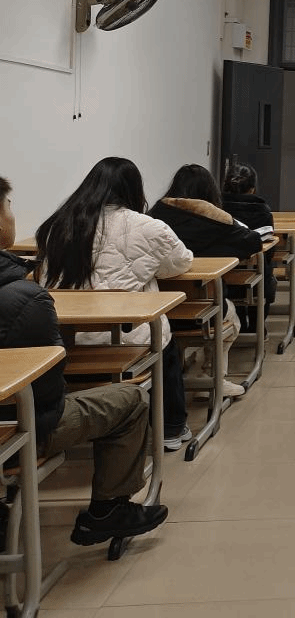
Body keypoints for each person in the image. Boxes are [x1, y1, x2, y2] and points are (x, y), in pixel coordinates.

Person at [0, 176, 169, 546]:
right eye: (8, 206)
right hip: (13, 429)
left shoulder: (56, 228)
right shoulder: (25, 297)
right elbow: (48, 395)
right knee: (131, 400)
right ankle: (108, 510)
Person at [35, 157, 194, 453]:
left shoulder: (59, 224)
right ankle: (171, 427)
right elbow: (181, 262)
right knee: (166, 342)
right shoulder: (148, 227)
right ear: (134, 190)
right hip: (124, 335)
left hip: (64, 336)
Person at [148, 164, 264, 399]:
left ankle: (180, 372)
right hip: (202, 309)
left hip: (157, 310)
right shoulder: (215, 220)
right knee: (231, 317)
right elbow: (253, 242)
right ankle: (211, 377)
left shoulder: (154, 216)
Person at [221, 159, 276, 332]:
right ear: (252, 188)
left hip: (222, 276)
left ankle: (240, 322)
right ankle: (257, 326)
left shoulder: (216, 209)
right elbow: (269, 251)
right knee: (265, 268)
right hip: (255, 278)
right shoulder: (263, 211)